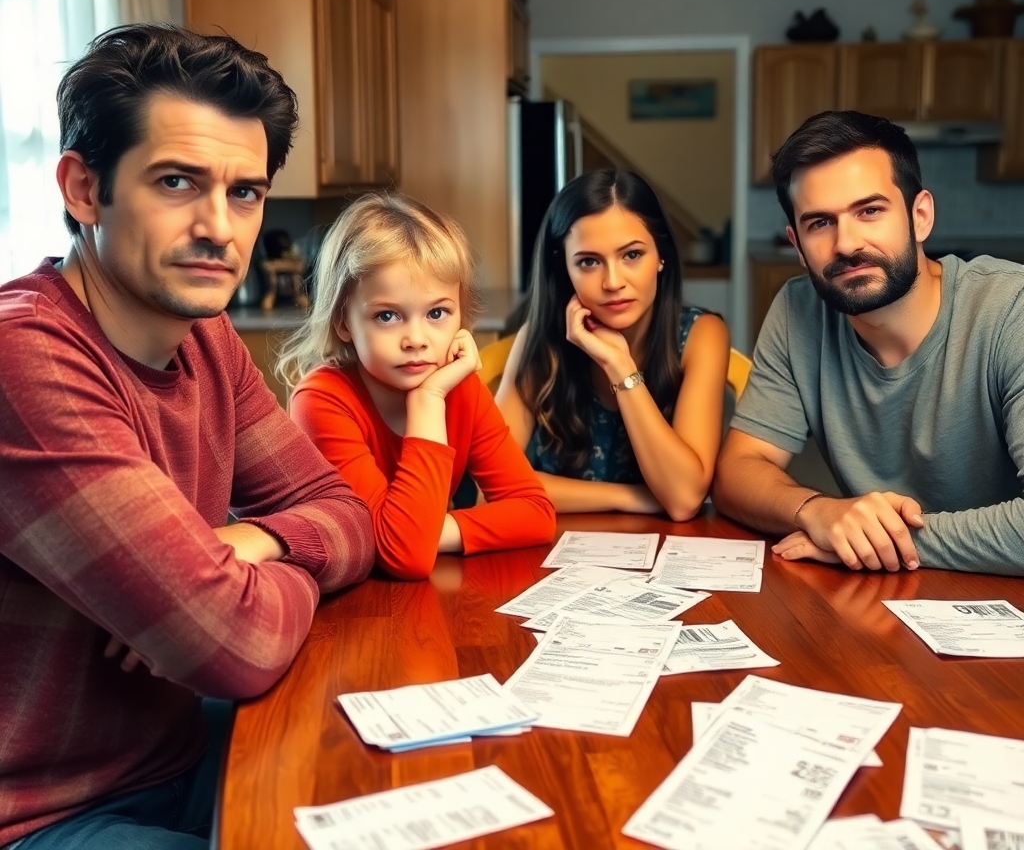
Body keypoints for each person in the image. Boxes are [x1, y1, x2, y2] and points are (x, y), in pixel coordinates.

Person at [0, 24, 375, 850]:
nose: (220, 228)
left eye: (245, 192)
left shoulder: (204, 340)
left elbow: (351, 513)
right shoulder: (23, 358)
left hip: (176, 750)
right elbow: (235, 644)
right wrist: (223, 596)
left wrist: (253, 544)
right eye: (178, 182)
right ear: (84, 189)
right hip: (43, 815)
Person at [713, 110, 1024, 576]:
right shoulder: (799, 309)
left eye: (870, 211)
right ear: (797, 246)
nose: (846, 243)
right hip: (878, 605)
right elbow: (739, 470)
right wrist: (819, 511)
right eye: (820, 223)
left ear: (920, 216)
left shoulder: (1009, 308)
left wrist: (868, 541)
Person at [283, 192, 556, 582]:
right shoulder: (322, 402)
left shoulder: (460, 389)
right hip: (344, 606)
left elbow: (536, 512)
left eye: (437, 313)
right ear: (343, 322)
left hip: (426, 597)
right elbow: (404, 556)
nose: (416, 338)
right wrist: (428, 401)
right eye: (388, 315)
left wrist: (430, 533)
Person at [495, 168, 730, 520]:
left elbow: (683, 500)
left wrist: (620, 366)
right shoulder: (540, 337)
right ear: (565, 270)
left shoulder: (701, 334)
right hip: (548, 554)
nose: (613, 281)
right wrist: (629, 497)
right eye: (589, 262)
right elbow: (493, 486)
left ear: (661, 255)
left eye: (632, 255)